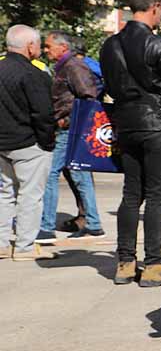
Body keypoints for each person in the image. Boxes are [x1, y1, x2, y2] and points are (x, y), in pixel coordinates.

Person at [99, 0, 161, 287]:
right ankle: (154, 264)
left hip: (126, 127)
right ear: (155, 6)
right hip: (157, 127)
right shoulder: (159, 44)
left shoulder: (109, 45)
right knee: (157, 195)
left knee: (131, 194)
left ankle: (126, 262)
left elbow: (112, 89)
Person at [36, 31, 104, 243]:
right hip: (69, 128)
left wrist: (68, 121)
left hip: (69, 129)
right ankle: (93, 223)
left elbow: (88, 96)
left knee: (50, 175)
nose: (46, 51)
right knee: (80, 175)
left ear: (63, 47)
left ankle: (46, 227)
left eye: (48, 47)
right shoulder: (67, 66)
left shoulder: (73, 66)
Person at [0, 25, 57, 261]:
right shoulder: (34, 74)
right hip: (28, 143)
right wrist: (47, 142)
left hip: (1, 142)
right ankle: (24, 246)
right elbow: (43, 113)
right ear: (30, 46)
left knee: (3, 194)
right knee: (30, 195)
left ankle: (2, 244)